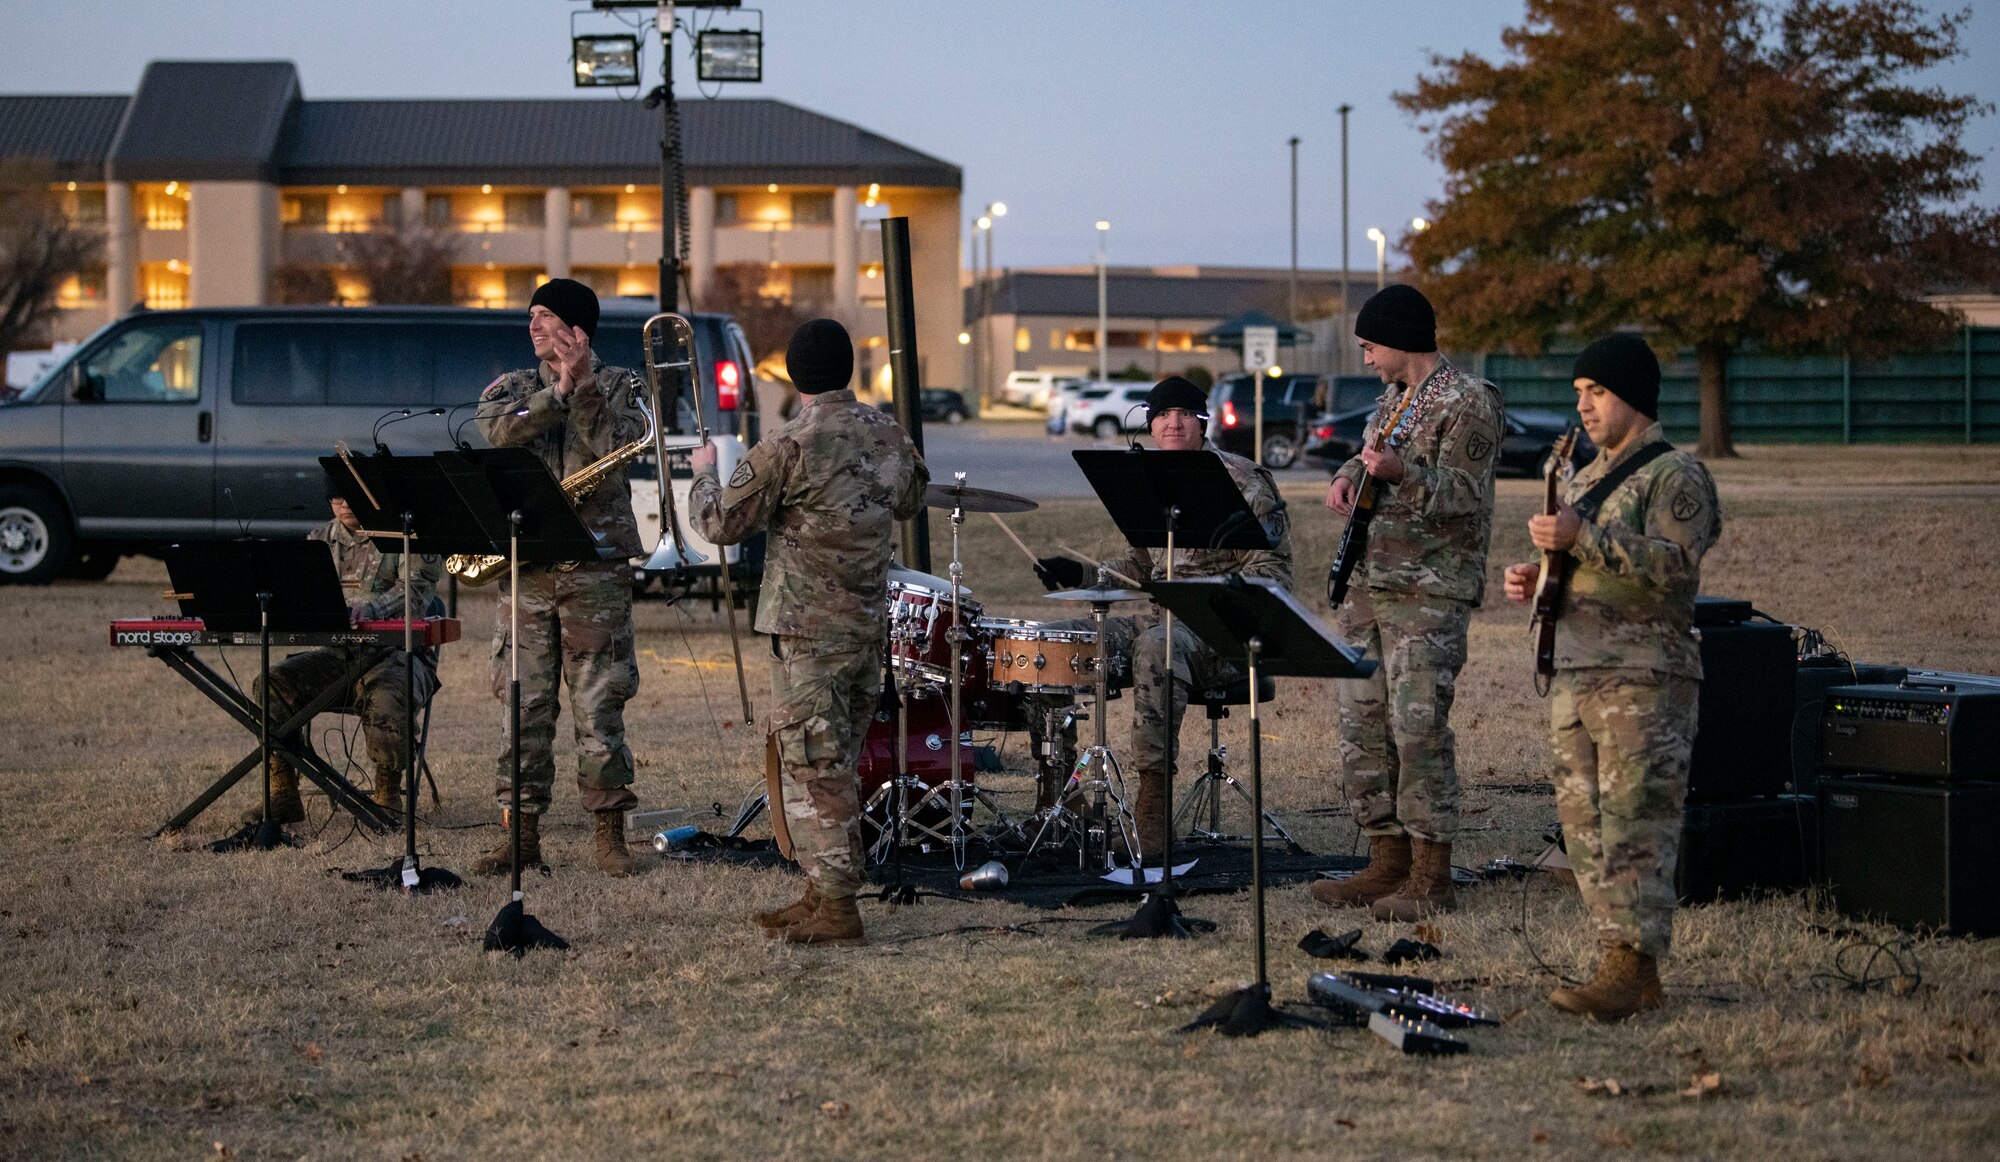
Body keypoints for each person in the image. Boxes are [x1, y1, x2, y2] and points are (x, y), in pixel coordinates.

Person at [689, 318, 927, 945]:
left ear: (794, 375)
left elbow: (719, 524)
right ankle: (821, 892)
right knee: (839, 760)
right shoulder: (887, 434)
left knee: (815, 768)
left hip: (806, 636)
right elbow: (911, 499)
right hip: (867, 631)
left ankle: (842, 907)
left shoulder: (788, 444)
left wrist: (705, 472)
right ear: (847, 369)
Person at [1503, 333, 1720, 1020]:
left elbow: (1677, 565)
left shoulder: (1675, 476)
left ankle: (1634, 964)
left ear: (1632, 395)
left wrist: (1582, 540)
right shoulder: (1584, 476)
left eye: (1596, 392)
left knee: (1636, 824)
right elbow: (1577, 564)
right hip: (1575, 669)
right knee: (1585, 828)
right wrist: (1537, 578)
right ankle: (1616, 959)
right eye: (1578, 394)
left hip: (1642, 679)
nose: (1585, 406)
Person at [1030, 375, 1292, 858]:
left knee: (1157, 645)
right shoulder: (1147, 479)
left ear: (1202, 423)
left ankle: (1152, 818)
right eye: (1163, 416)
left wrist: (1215, 602)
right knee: (1053, 643)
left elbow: (1274, 572)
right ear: (1149, 424)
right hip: (1160, 620)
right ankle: (1059, 800)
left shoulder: (1242, 479)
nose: (1173, 424)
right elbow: (1142, 567)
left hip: (1224, 633)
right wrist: (1082, 573)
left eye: (1185, 415)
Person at [1314, 284, 1504, 921]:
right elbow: (1367, 456)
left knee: (1417, 727)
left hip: (1428, 592)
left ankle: (1431, 872)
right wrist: (1347, 475)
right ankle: (1386, 859)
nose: (1366, 359)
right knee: (1362, 728)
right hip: (1371, 588)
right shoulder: (1392, 402)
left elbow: (1464, 493)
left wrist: (1402, 475)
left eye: (1370, 346)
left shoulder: (1467, 401)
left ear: (1398, 339)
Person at [471, 277, 646, 878]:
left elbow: (614, 446)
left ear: (578, 328)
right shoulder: (516, 390)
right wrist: (556, 394)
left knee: (600, 704)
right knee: (522, 702)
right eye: (531, 316)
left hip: (595, 570)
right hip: (528, 568)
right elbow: (498, 428)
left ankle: (609, 837)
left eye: (546, 316)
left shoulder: (623, 384)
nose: (534, 326)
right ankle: (519, 837)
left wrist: (585, 387)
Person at [242, 481, 443, 825]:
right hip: (337, 658)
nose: (344, 503)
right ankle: (283, 794)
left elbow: (417, 592)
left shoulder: (403, 535)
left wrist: (372, 611)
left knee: (387, 695)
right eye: (335, 497)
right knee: (271, 684)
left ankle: (387, 797)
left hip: (395, 657)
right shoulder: (318, 541)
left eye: (351, 495)